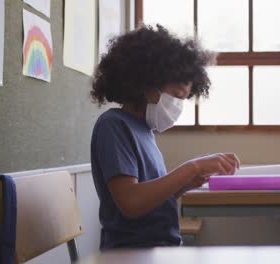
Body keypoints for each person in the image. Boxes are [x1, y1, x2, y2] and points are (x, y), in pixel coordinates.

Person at [90, 24, 240, 250]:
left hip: (159, 249)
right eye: (177, 96)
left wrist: (186, 184)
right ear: (148, 84)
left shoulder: (144, 130)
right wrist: (193, 167)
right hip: (131, 253)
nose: (178, 105)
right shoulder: (113, 126)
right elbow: (131, 203)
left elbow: (150, 198)